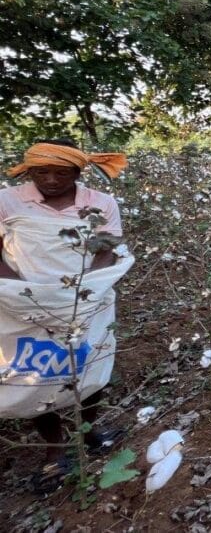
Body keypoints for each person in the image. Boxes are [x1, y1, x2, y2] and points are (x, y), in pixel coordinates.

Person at [0, 139, 133, 489]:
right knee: (36, 372)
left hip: (87, 298)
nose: (52, 180)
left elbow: (107, 250)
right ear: (28, 171)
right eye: (41, 172)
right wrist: (23, 293)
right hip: (20, 303)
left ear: (78, 171)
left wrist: (83, 290)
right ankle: (55, 450)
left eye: (61, 173)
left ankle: (89, 431)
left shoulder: (101, 203)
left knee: (89, 366)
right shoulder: (7, 200)